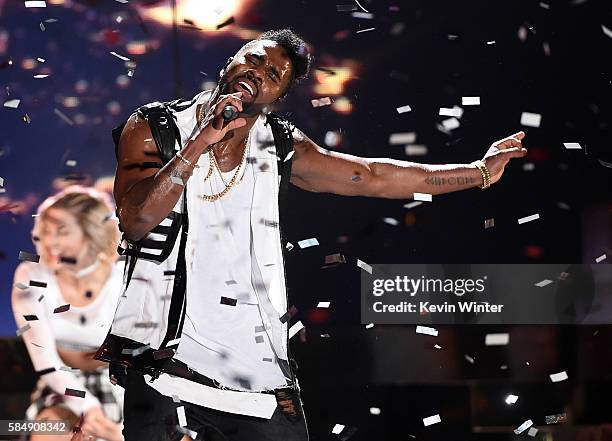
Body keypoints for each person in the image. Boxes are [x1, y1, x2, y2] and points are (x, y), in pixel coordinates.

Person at [96, 28, 528, 441]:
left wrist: (477, 174)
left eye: (272, 76)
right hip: (161, 365)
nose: (258, 72)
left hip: (255, 371)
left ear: (277, 99)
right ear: (232, 60)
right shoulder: (155, 126)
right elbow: (134, 220)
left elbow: (372, 176)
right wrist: (196, 145)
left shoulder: (280, 145)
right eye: (255, 58)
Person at [11, 186, 125, 441]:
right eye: (46, 231)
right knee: (49, 429)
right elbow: (47, 363)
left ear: (91, 233)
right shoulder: (30, 276)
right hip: (61, 384)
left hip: (123, 381)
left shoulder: (126, 276)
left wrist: (113, 432)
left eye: (61, 231)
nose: (50, 241)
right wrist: (89, 407)